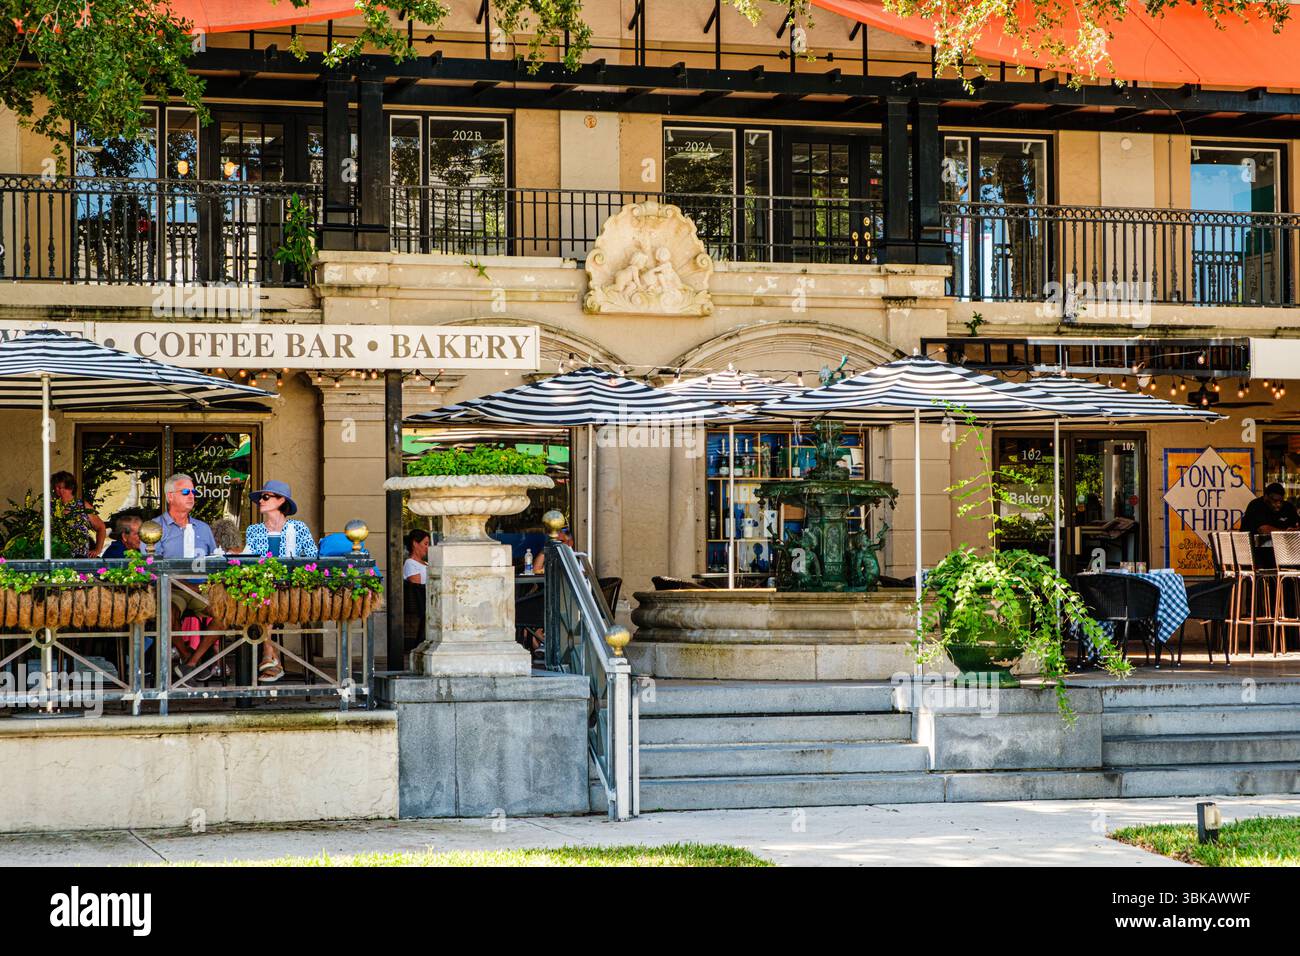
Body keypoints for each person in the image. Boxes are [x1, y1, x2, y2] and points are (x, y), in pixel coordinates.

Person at [244, 480, 317, 683]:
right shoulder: (254, 530)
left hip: (292, 588)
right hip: (263, 588)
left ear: (281, 500)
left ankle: (269, 654)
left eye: (266, 497)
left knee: (264, 599)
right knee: (259, 597)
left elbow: (313, 558)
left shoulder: (298, 527)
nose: (261, 501)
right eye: (260, 498)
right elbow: (248, 560)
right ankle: (271, 657)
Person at [152, 474, 221, 676]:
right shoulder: (155, 528)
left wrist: (211, 585)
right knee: (168, 612)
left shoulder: (203, 528)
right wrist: (183, 585)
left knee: (227, 611)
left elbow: (214, 561)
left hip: (201, 589)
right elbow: (150, 570)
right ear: (170, 497)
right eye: (185, 492)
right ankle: (184, 653)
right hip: (171, 590)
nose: (192, 496)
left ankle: (192, 662)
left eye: (193, 492)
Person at [50, 471, 106, 557]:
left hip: (80, 556)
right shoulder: (51, 507)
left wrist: (97, 550)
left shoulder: (82, 506)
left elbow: (100, 527)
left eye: (61, 487)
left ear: (70, 488)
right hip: (57, 555)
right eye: (55, 487)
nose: (57, 490)